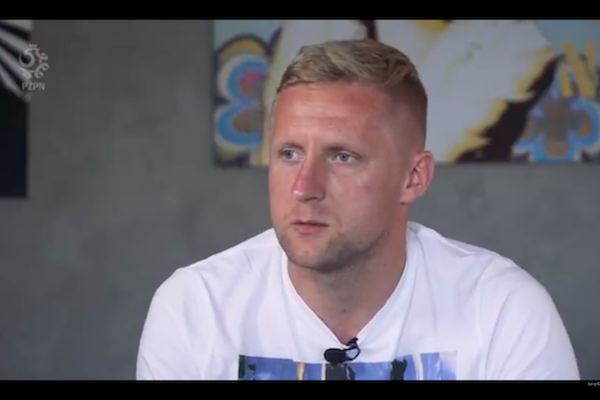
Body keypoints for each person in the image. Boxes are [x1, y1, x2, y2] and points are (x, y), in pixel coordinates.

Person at [136, 39, 580, 380]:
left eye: (343, 157)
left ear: (414, 178)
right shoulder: (195, 308)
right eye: (289, 154)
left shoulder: (502, 309)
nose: (304, 188)